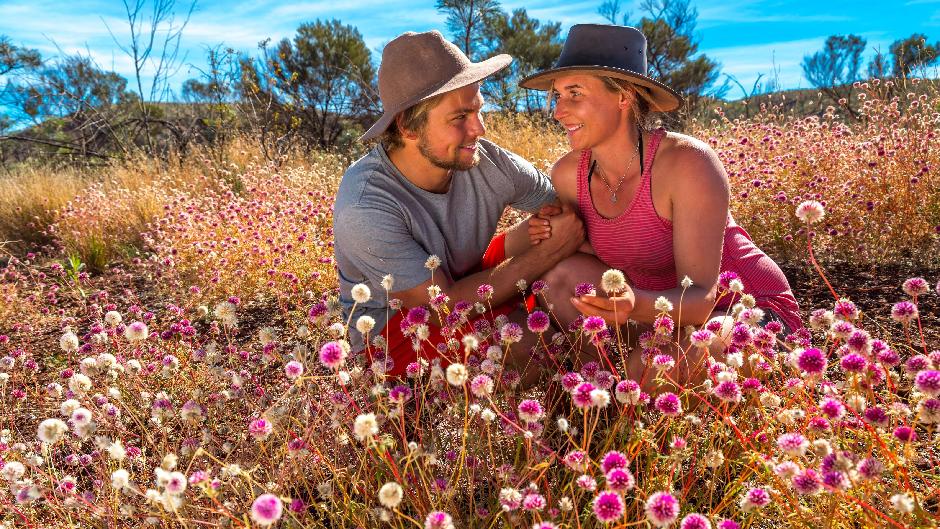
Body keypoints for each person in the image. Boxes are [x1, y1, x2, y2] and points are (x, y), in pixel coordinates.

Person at [520, 24, 801, 391]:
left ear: (623, 95)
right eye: (557, 96)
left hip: (742, 310)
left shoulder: (687, 163)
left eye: (574, 94)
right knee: (558, 278)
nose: (559, 111)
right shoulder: (568, 173)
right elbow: (603, 247)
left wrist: (632, 306)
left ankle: (635, 397)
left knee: (652, 366)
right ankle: (603, 399)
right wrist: (553, 230)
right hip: (656, 310)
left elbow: (701, 298)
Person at [333, 30, 585, 384]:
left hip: (467, 282)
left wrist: (549, 227)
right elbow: (443, 307)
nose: (478, 129)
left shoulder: (487, 162)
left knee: (560, 283)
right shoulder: (365, 206)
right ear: (407, 126)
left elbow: (561, 208)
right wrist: (550, 250)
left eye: (479, 110)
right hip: (398, 334)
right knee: (529, 344)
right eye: (459, 118)